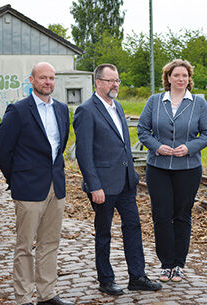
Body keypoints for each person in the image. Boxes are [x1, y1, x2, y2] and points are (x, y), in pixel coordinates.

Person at [73, 63, 162, 296]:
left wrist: (131, 175)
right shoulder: (87, 110)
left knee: (133, 228)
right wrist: (94, 186)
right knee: (103, 233)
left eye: (118, 80)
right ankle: (106, 279)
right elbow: (83, 153)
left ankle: (137, 276)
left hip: (125, 183)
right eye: (111, 80)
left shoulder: (118, 107)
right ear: (98, 82)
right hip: (103, 185)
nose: (116, 85)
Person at [0, 62, 73, 305]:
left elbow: (60, 146)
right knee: (25, 246)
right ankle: (23, 298)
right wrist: (16, 179)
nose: (47, 82)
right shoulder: (18, 111)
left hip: (55, 187)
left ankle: (47, 294)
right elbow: (2, 151)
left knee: (50, 243)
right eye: (42, 78)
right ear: (31, 80)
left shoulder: (61, 109)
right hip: (28, 188)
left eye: (51, 78)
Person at [137, 59, 207, 283]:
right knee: (161, 216)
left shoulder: (198, 104)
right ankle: (165, 264)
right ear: (168, 78)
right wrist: (156, 146)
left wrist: (190, 148)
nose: (181, 79)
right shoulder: (154, 101)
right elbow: (142, 129)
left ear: (189, 79)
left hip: (188, 169)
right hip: (158, 167)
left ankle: (179, 264)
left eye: (185, 76)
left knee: (182, 216)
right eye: (176, 75)